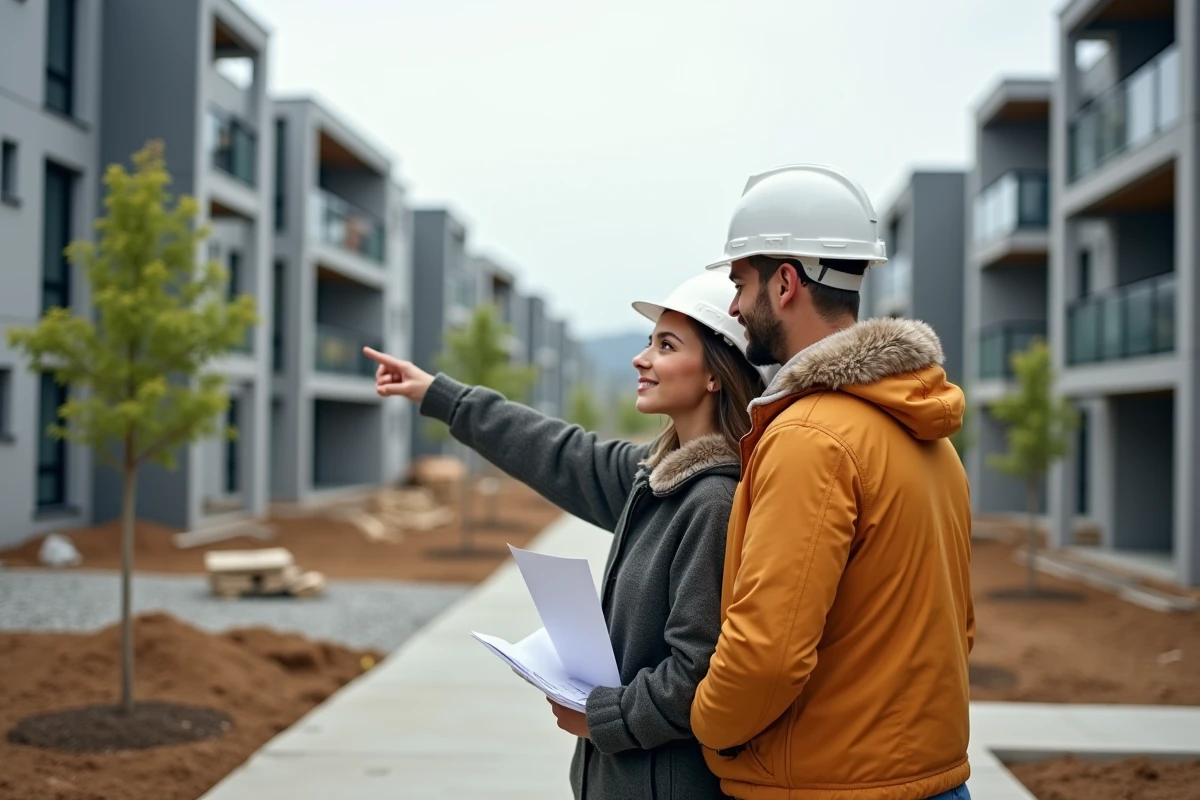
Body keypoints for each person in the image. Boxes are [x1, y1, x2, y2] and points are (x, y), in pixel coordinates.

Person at [364, 271, 771, 800]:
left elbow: (700, 675)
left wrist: (601, 715)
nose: (640, 359)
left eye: (665, 346)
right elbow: (559, 451)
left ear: (715, 374)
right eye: (649, 342)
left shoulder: (711, 504)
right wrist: (442, 396)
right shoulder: (655, 479)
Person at [688, 164, 974, 800]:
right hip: (925, 775)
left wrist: (707, 726)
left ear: (785, 282)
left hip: (830, 784)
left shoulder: (808, 438)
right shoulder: (927, 433)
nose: (733, 306)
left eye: (739, 282)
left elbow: (767, 654)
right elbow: (961, 626)